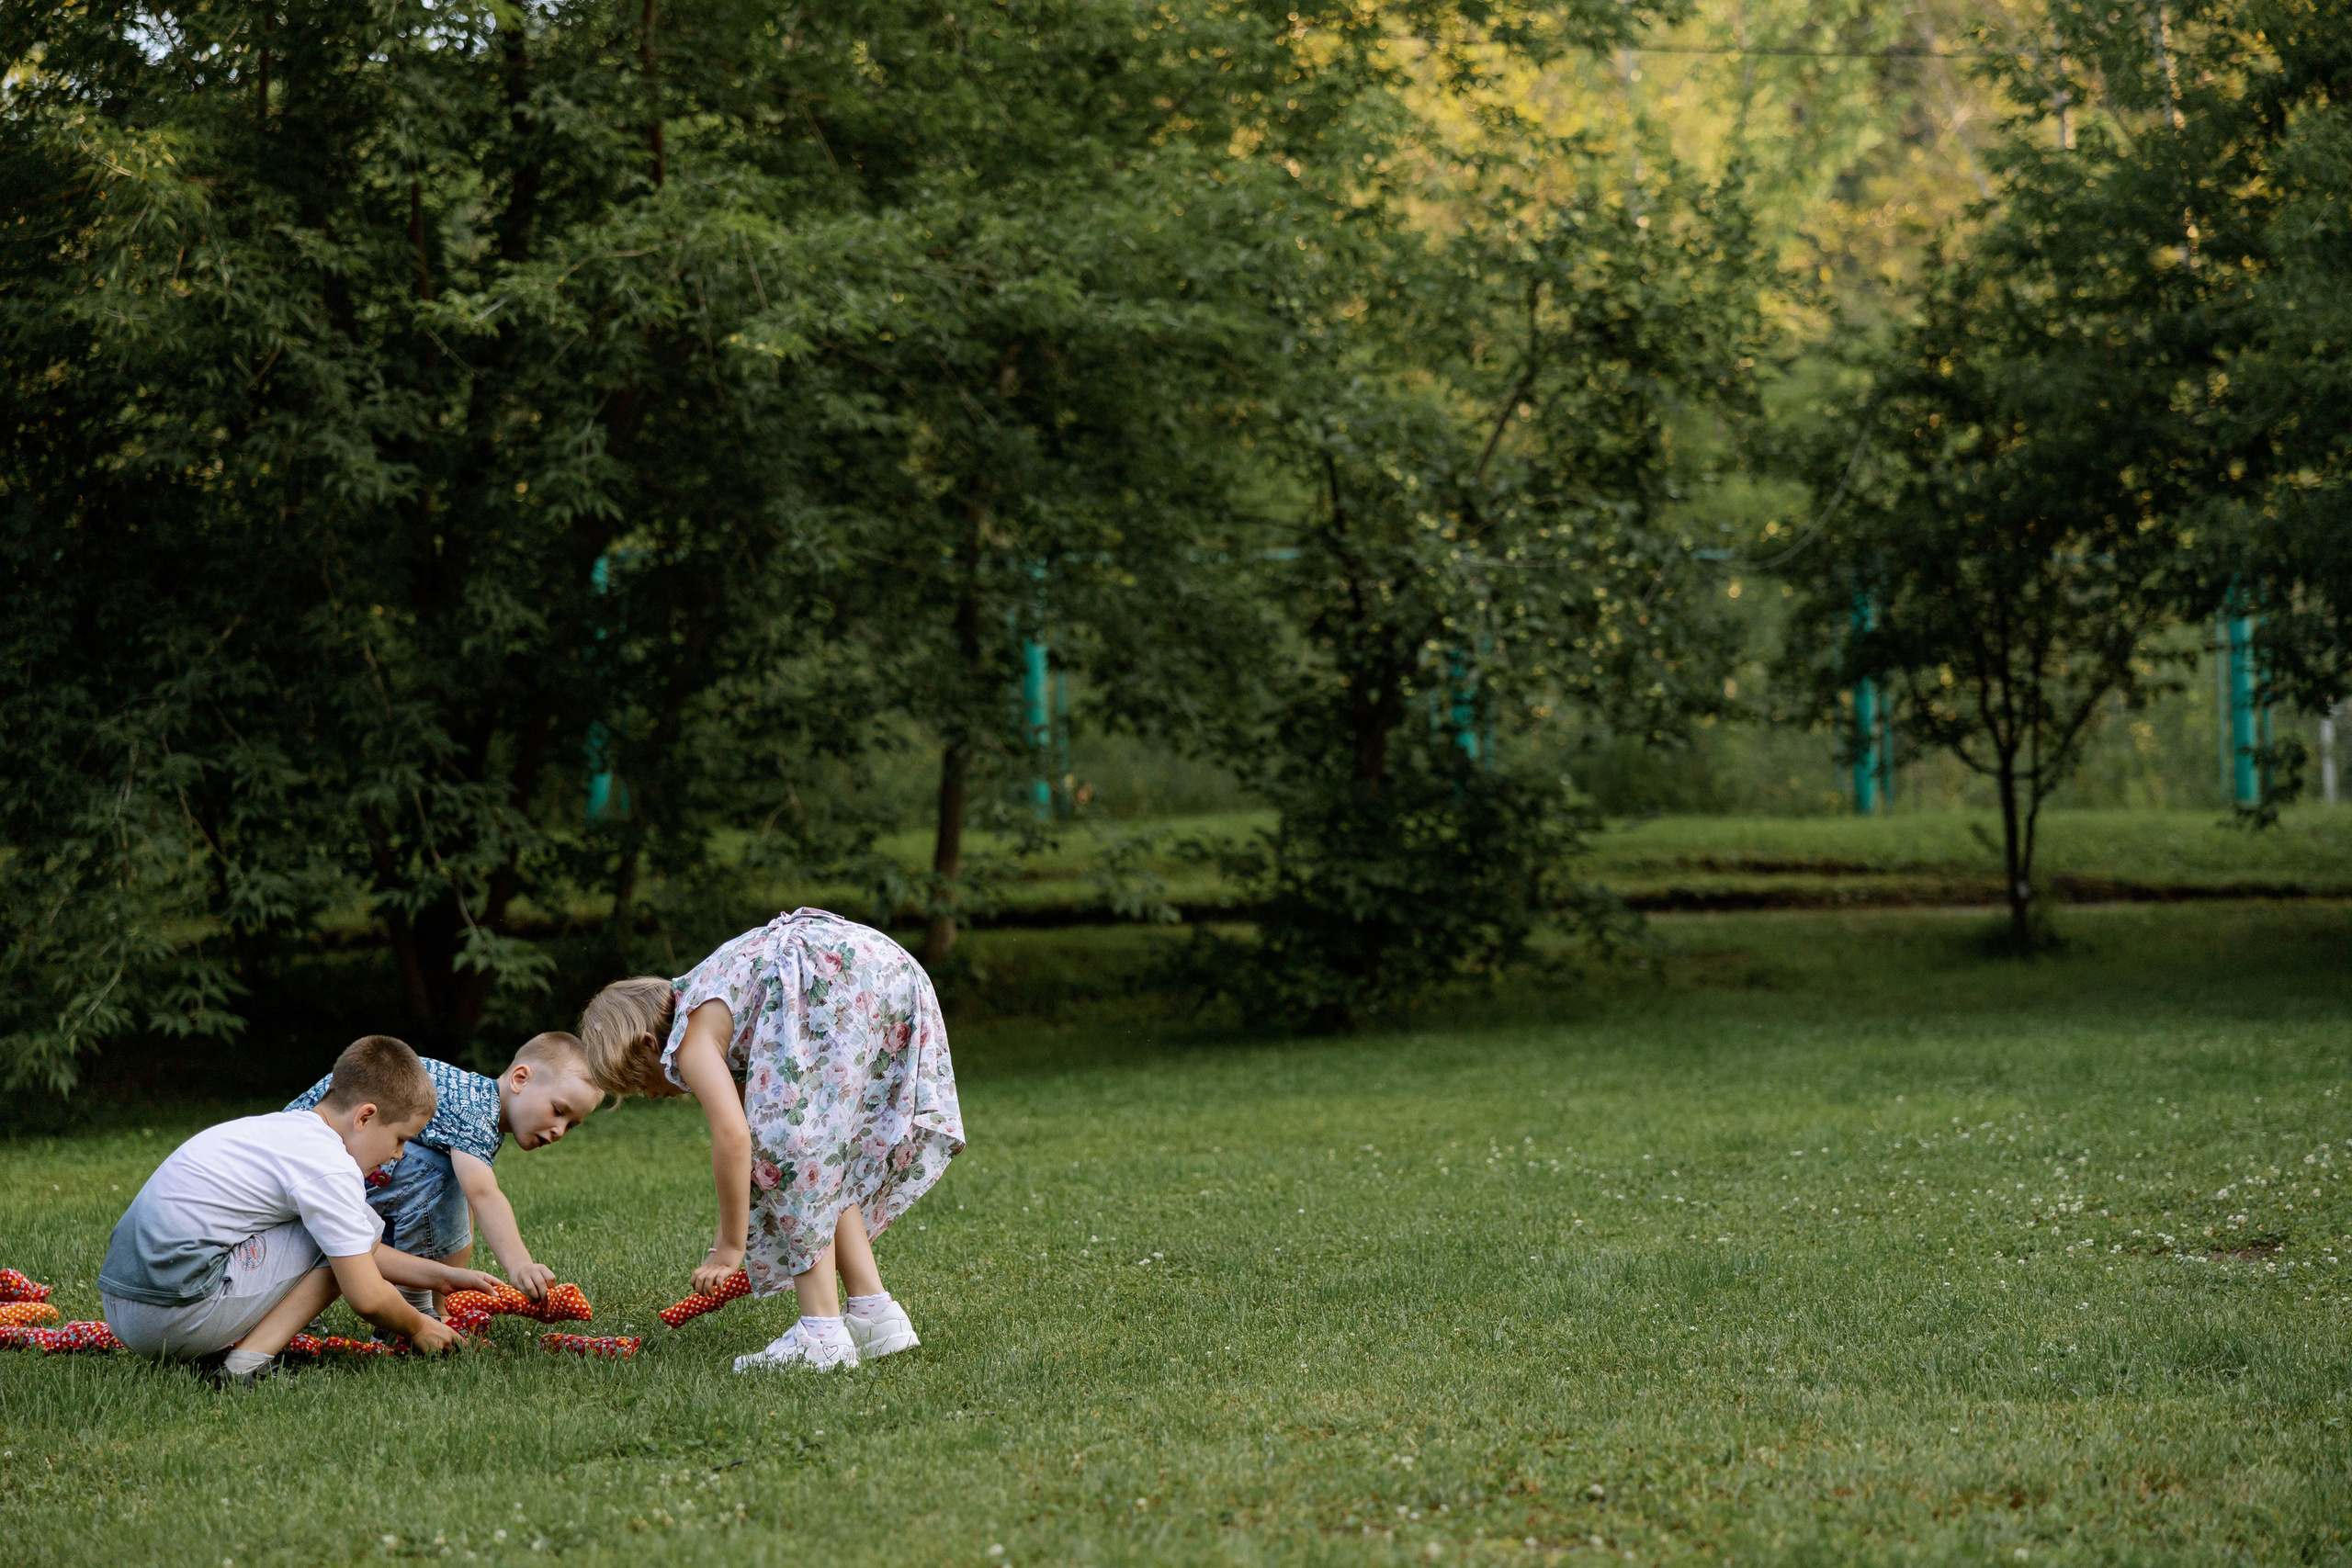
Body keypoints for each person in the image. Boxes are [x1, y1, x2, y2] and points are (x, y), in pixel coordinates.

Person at [576, 908, 965, 1371]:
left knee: (790, 1155)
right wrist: (727, 1231)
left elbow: (735, 1138)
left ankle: (821, 1334)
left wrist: (731, 1247)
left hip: (838, 982)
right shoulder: (718, 1004)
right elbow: (753, 1127)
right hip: (882, 974)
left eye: (641, 1083)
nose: (652, 1094)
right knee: (818, 1154)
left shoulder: (692, 1038)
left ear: (645, 1044)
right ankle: (874, 1314)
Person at [98, 1035, 503, 1385]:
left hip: (124, 1307)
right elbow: (366, 1295)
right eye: (400, 1139)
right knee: (336, 1245)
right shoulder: (328, 1164)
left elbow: (365, 1249)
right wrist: (419, 1327)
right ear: (365, 1117)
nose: (397, 1155)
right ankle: (246, 1368)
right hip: (171, 1315)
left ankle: (228, 1352)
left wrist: (444, 1276)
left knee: (339, 1237)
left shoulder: (282, 1131)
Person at [282, 1031, 600, 1315]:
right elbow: (483, 1193)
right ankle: (413, 1306)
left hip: (317, 1159)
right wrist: (520, 1265)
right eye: (558, 1110)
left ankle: (433, 1305)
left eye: (571, 1124)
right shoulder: (476, 1111)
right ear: (520, 1079)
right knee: (440, 1175)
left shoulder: (478, 1107)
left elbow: (464, 1209)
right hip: (312, 1160)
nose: (559, 1129)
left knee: (448, 1185)